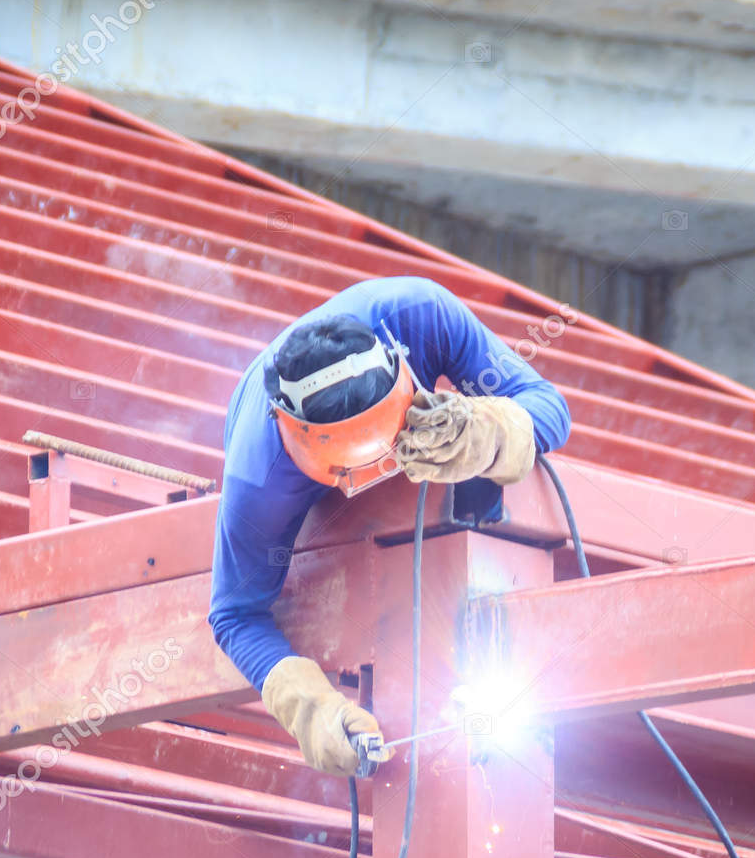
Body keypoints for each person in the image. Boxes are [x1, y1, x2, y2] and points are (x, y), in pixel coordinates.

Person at [208, 276, 572, 774]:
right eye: (355, 469)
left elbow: (549, 405)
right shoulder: (259, 482)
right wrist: (311, 708)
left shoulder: (421, 314)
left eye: (389, 447)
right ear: (295, 436)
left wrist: (486, 430)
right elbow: (235, 614)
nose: (386, 473)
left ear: (402, 369)